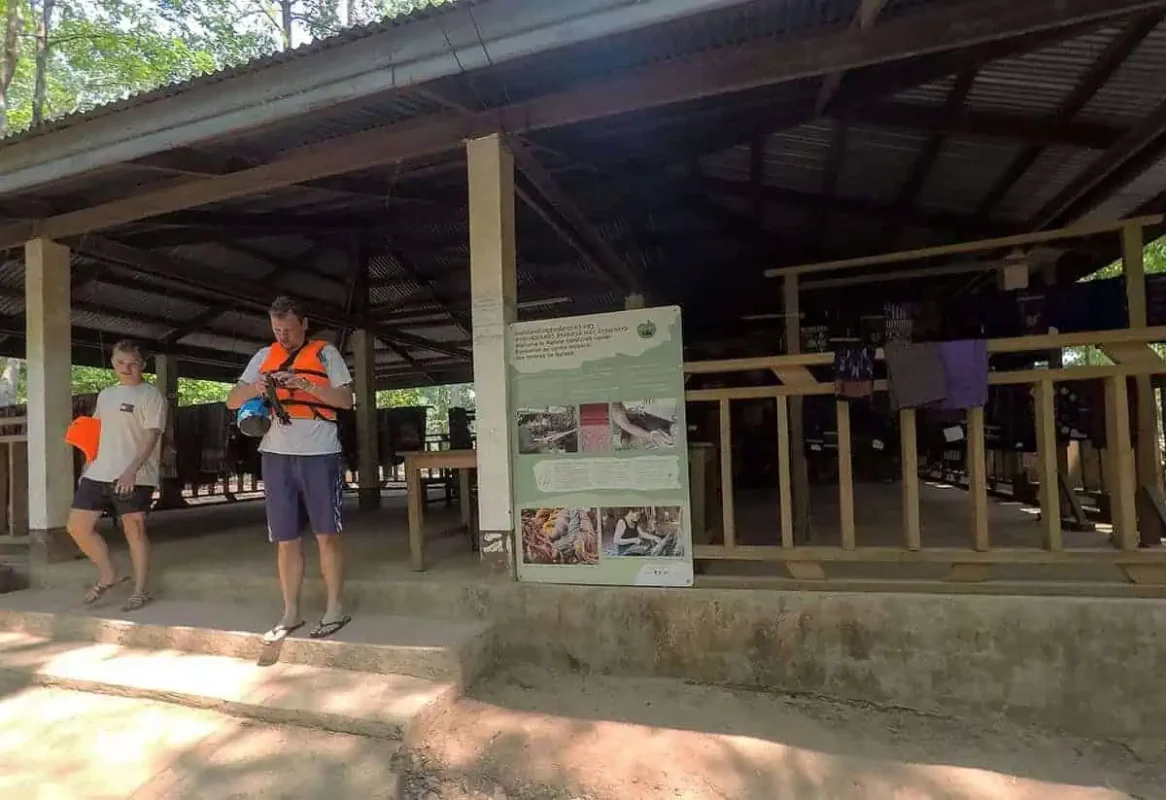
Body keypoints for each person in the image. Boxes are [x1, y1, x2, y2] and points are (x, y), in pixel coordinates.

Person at [227, 296, 355, 641]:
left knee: (327, 534)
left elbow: (346, 401)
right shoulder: (263, 356)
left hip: (320, 453)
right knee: (285, 538)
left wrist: (305, 385)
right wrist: (256, 387)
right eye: (277, 329)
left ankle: (334, 608)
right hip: (276, 456)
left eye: (288, 329)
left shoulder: (326, 354)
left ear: (304, 324)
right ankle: (290, 612)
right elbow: (232, 400)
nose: (282, 336)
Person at [67, 339, 166, 611]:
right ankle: (108, 574)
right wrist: (88, 465)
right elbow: (97, 431)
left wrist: (131, 471)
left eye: (133, 363)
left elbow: (152, 434)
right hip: (99, 470)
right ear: (112, 362)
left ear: (142, 364)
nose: (126, 368)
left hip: (135, 473)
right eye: (121, 362)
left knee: (134, 528)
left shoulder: (151, 396)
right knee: (77, 526)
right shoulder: (106, 395)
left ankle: (140, 589)